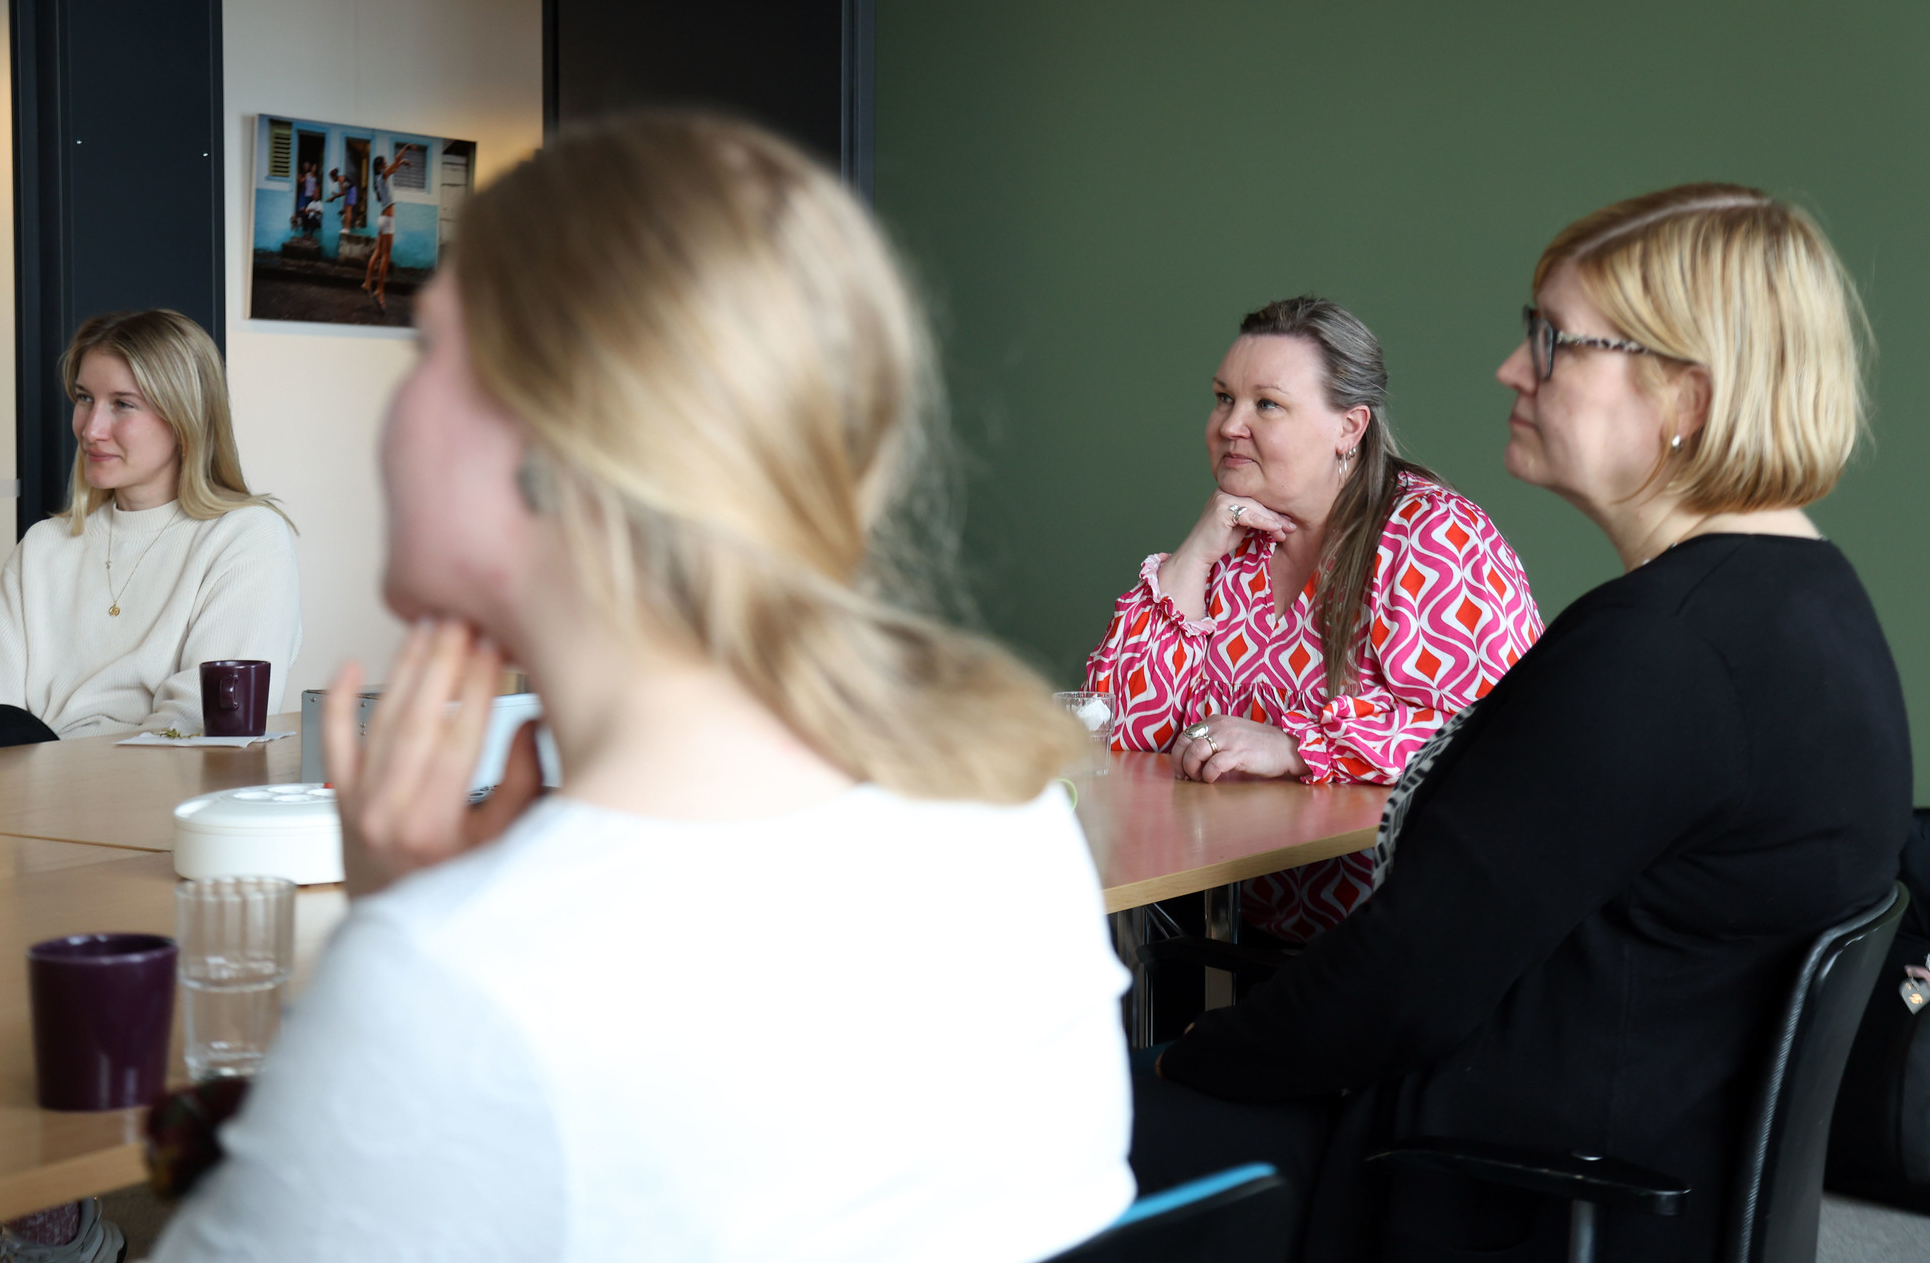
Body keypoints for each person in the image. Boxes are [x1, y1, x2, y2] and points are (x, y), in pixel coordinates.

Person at [151, 114, 1135, 1261]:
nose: (395, 405)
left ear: (553, 440)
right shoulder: (1009, 819)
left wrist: (401, 937)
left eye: (426, 352)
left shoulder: (460, 986)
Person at [1138, 184, 1912, 1263]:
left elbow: (1401, 979)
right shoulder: (1807, 604)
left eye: (1551, 341)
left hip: (1488, 1178)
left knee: (1053, 1141)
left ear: (1684, 393)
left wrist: (1181, 1057)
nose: (1511, 370)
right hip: (1620, 1156)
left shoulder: (1660, 653)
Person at [1086, 297, 1541, 945]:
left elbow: (1499, 741)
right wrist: (1195, 551)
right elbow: (1122, 728)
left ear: (1349, 427)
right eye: (1223, 398)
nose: (1230, 424)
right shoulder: (1239, 541)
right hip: (1249, 928)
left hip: (1413, 943)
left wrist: (1296, 746)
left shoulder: (1432, 537)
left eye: (1266, 404)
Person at [0, 310, 301, 753]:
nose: (90, 429)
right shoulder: (45, 546)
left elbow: (204, 723)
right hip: (27, 788)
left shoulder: (246, 535)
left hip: (151, 789)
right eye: (84, 398)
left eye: (122, 404)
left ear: (186, 418)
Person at [362, 143, 416, 311]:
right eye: (384, 163)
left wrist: (401, 163)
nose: (387, 164)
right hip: (387, 219)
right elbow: (395, 161)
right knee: (386, 256)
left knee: (378, 252)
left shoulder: (380, 179)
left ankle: (367, 282)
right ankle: (379, 290)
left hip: (382, 218)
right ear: (380, 166)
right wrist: (405, 148)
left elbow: (394, 166)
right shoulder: (382, 176)